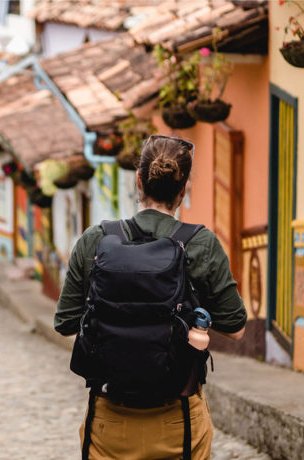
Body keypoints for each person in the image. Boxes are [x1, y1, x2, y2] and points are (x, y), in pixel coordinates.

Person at [55, 134, 247, 460]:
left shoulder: (95, 240)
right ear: (184, 188)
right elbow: (236, 327)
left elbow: (65, 323)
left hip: (108, 419)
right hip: (180, 420)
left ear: (138, 181)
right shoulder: (202, 244)